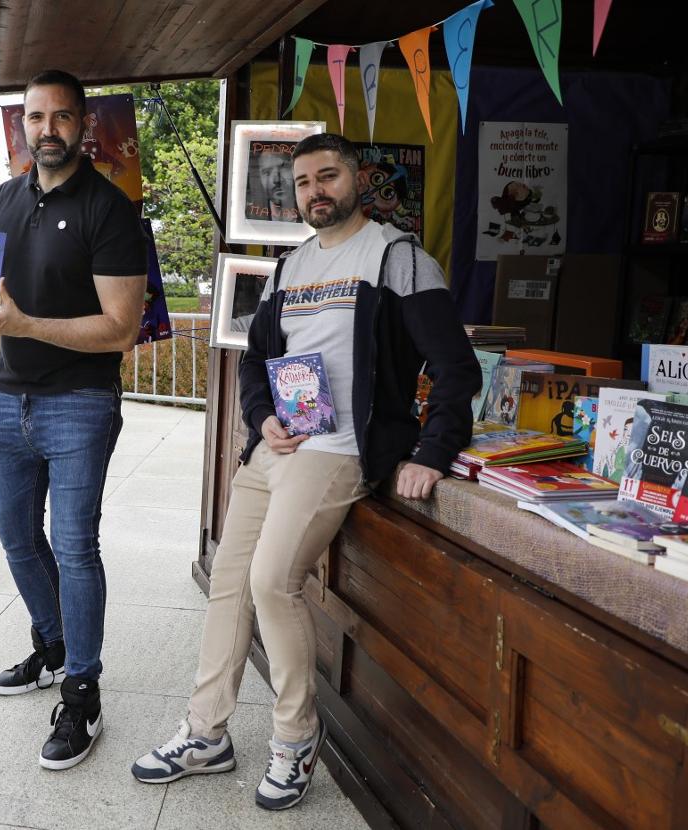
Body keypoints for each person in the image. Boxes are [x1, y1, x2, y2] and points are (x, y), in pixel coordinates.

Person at [132, 132, 480, 810]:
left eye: (328, 176)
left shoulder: (396, 257)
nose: (315, 191)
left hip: (338, 450)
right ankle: (206, 733)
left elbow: (454, 365)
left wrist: (432, 452)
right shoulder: (289, 269)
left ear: (357, 180)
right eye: (302, 182)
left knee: (272, 580)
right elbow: (259, 360)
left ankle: (295, 739)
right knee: (229, 583)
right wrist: (261, 418)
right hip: (276, 449)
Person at [0, 69, 146, 771]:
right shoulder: (3, 198)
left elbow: (120, 329)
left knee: (74, 544)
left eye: (60, 117)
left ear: (84, 126)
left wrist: (26, 322)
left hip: (81, 402)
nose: (46, 129)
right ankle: (53, 649)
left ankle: (83, 691)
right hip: (8, 398)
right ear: (21, 126)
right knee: (17, 535)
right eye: (34, 118)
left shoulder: (112, 211)